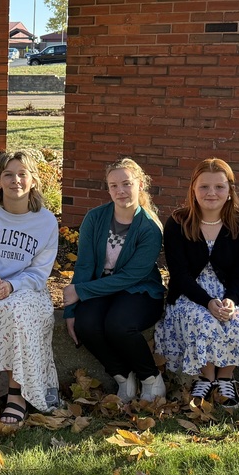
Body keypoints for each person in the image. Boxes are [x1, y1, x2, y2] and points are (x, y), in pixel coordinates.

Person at [154, 158, 239, 408]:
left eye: (219, 187)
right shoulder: (178, 223)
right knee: (203, 320)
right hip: (190, 294)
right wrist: (207, 302)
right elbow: (180, 275)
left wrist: (230, 300)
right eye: (204, 187)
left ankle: (225, 378)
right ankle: (206, 377)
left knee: (238, 320)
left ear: (230, 191)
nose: (211, 193)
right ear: (193, 190)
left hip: (230, 293)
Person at [62, 158, 166, 404]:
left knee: (119, 325)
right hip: (101, 288)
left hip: (140, 291)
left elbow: (131, 276)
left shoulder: (150, 227)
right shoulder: (95, 218)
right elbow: (85, 264)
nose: (120, 190)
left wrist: (82, 290)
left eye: (127, 183)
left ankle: (150, 378)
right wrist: (70, 309)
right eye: (113, 185)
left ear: (140, 185)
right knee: (85, 325)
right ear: (108, 189)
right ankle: (122, 376)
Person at [0, 151, 58, 427]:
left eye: (22, 174)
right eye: (8, 174)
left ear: (33, 181)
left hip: (28, 290)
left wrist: (12, 285)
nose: (15, 180)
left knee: (16, 309)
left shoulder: (46, 221)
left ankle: (17, 394)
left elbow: (40, 272)